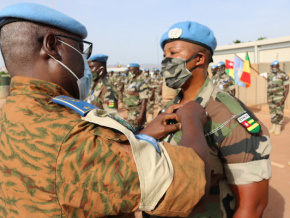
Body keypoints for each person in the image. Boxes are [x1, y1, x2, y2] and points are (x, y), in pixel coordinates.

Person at [0, 3, 211, 217]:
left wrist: (142, 136)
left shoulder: (10, 114)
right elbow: (193, 185)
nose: (85, 62)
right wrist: (192, 118)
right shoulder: (74, 137)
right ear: (52, 46)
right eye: (81, 50)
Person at [158, 21, 272, 218]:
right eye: (164, 55)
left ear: (199, 58)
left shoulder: (227, 115)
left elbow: (251, 207)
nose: (166, 61)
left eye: (173, 54)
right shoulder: (171, 107)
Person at [267, 60, 289, 135]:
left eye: (275, 66)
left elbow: (287, 87)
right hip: (271, 97)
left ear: (278, 66)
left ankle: (278, 127)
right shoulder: (270, 74)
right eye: (272, 66)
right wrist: (268, 98)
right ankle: (273, 127)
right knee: (272, 112)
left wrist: (284, 98)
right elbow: (268, 86)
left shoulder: (283, 74)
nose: (273, 67)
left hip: (279, 97)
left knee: (279, 112)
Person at [124, 63, 149, 129]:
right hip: (130, 113)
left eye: (131, 71)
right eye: (129, 70)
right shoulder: (130, 82)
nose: (129, 72)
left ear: (137, 71)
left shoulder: (141, 83)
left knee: (138, 133)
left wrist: (141, 116)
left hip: (137, 114)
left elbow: (144, 101)